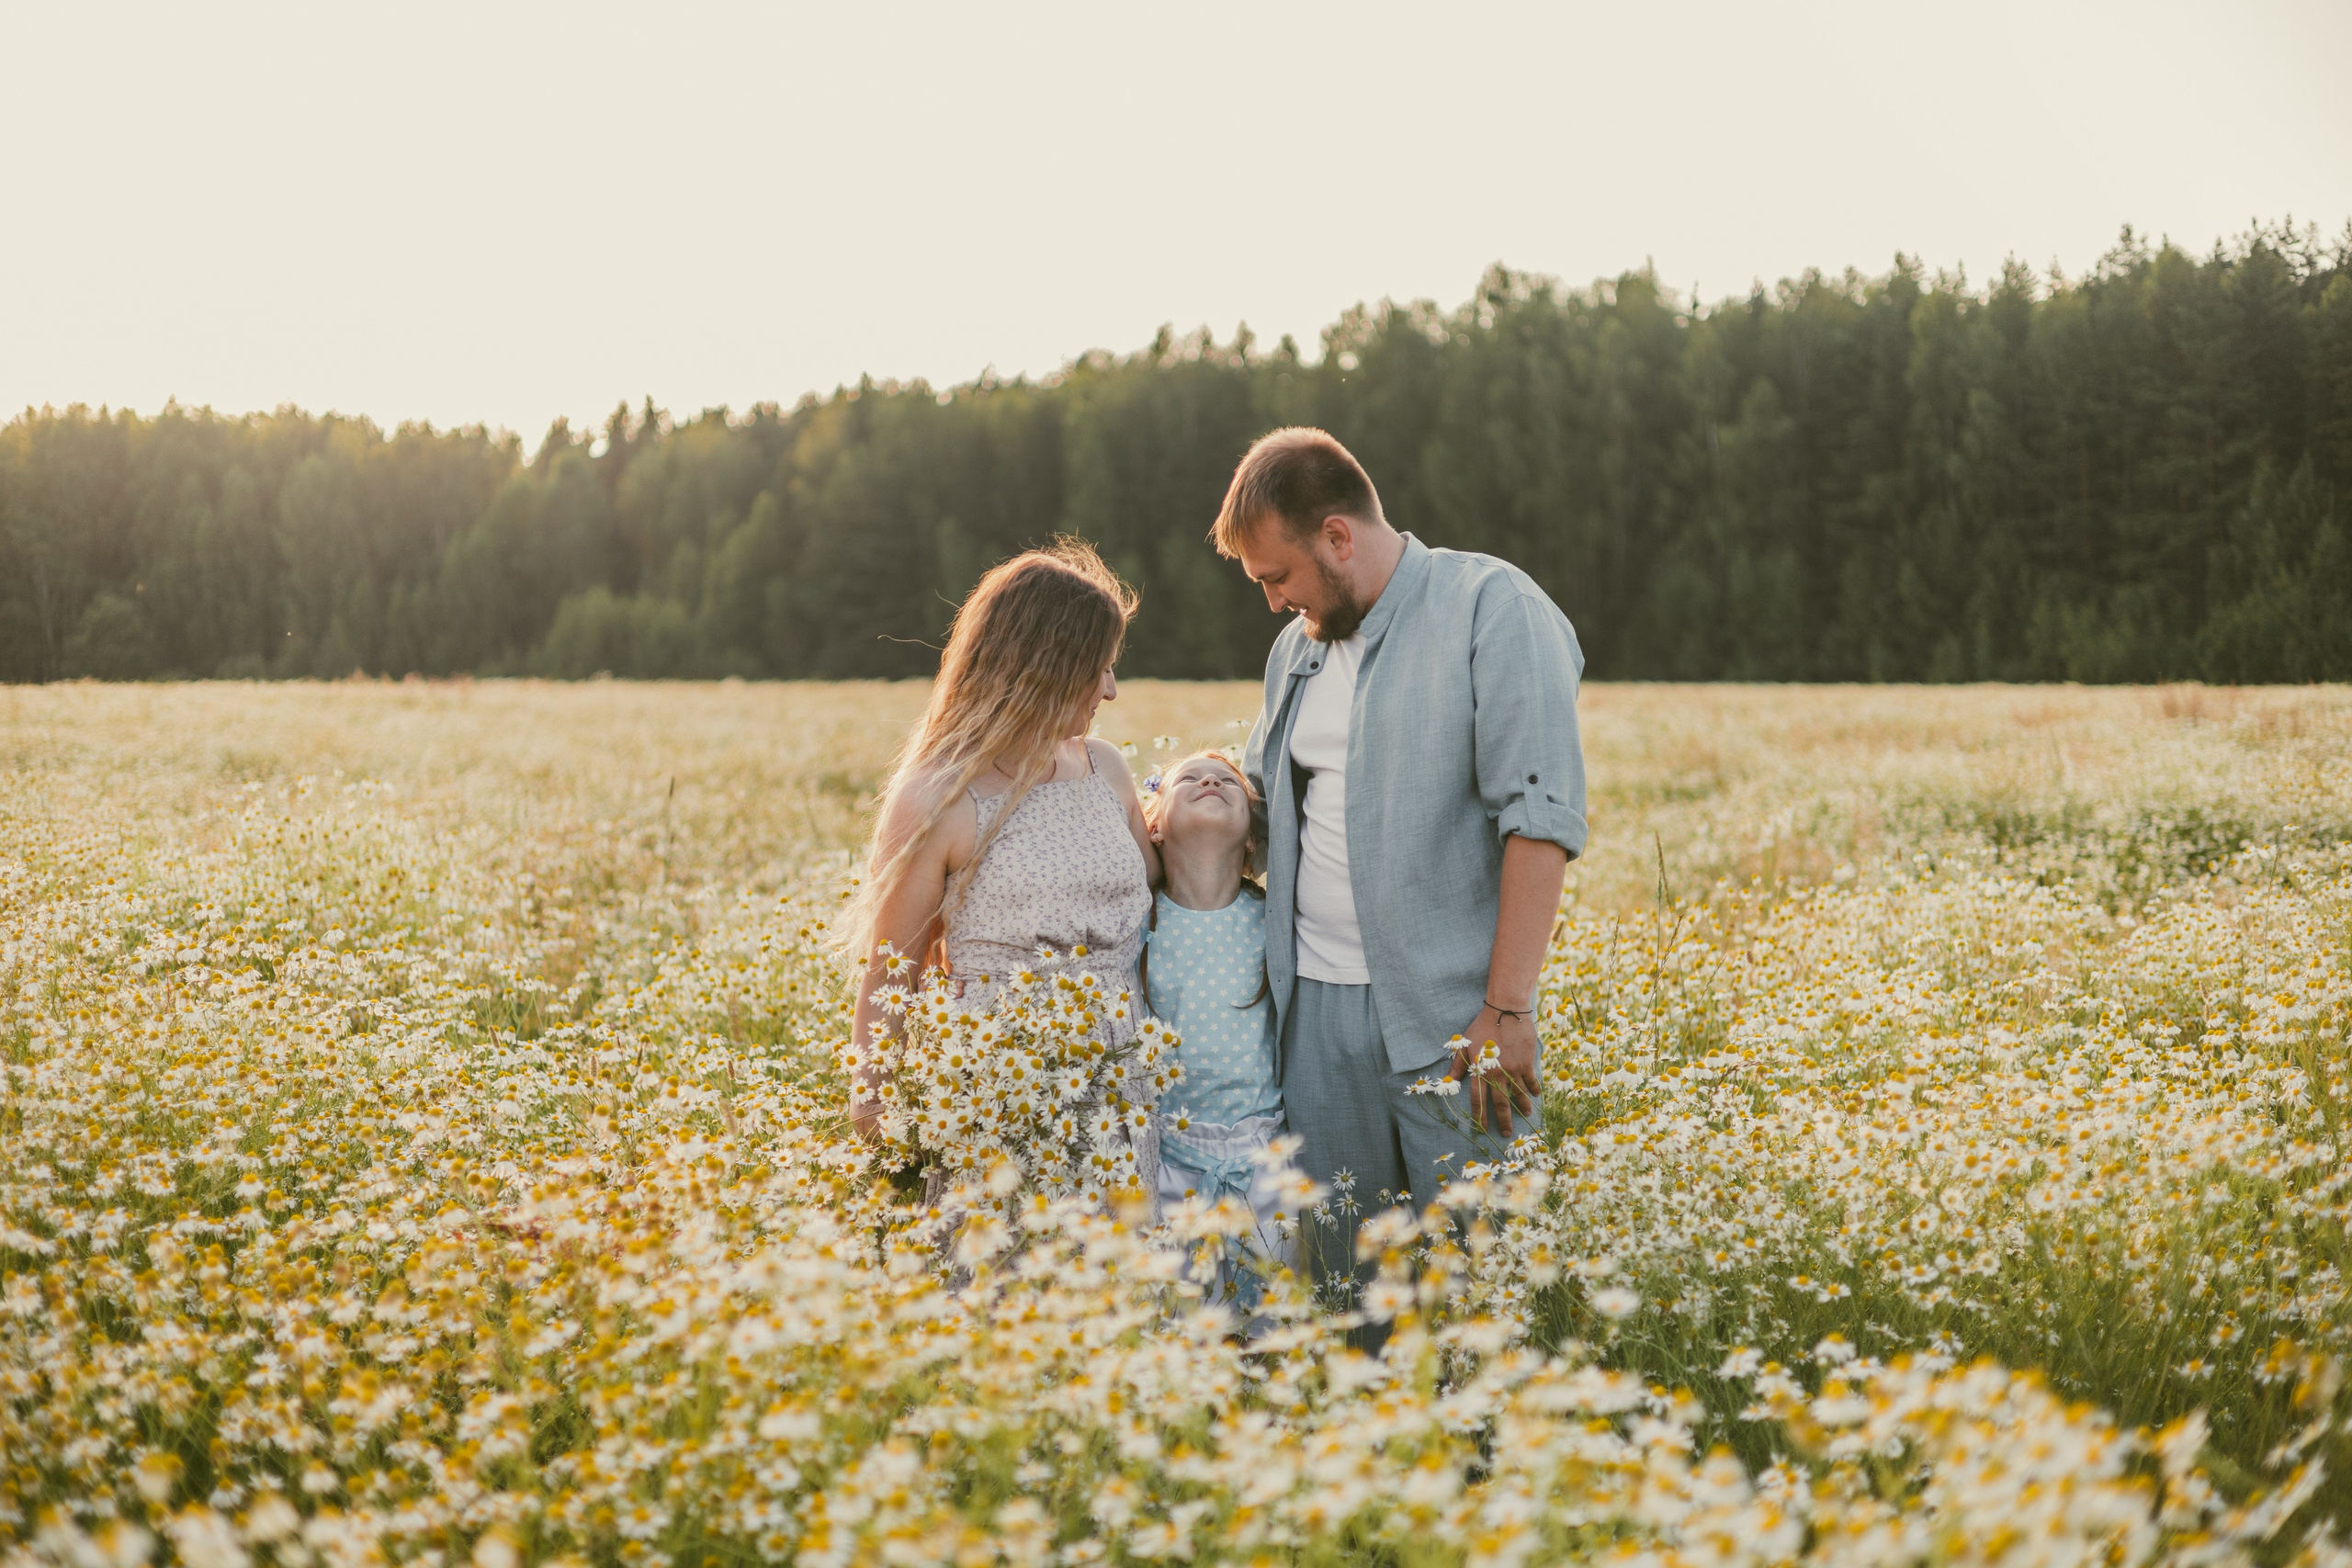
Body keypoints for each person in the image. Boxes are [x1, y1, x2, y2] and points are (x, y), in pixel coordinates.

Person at [1216, 427, 1588, 1314]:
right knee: (1351, 1299)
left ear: (1337, 537)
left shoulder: (1493, 606)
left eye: (1278, 576)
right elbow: (1271, 814)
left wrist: (1507, 1007)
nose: (1273, 601)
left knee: (1487, 1294)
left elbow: (1539, 820)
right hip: (1314, 1021)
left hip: (1455, 1020)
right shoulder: (1295, 651)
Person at [844, 540, 1162, 1206]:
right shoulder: (939, 797)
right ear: (1044, 664)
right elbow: (891, 970)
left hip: (1121, 1078)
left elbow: (1160, 895)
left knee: (1122, 1265)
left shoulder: (1106, 767)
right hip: (1004, 1089)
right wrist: (874, 1109)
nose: (1110, 689)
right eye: (1098, 668)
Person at [1139, 749, 1300, 1318]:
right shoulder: (1136, 922)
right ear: (1154, 827)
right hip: (1167, 1162)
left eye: (1228, 781)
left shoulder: (1276, 921)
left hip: (1263, 1162)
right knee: (1181, 1328)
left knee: (1269, 1332)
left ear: (1253, 837)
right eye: (1188, 778)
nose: (1209, 779)